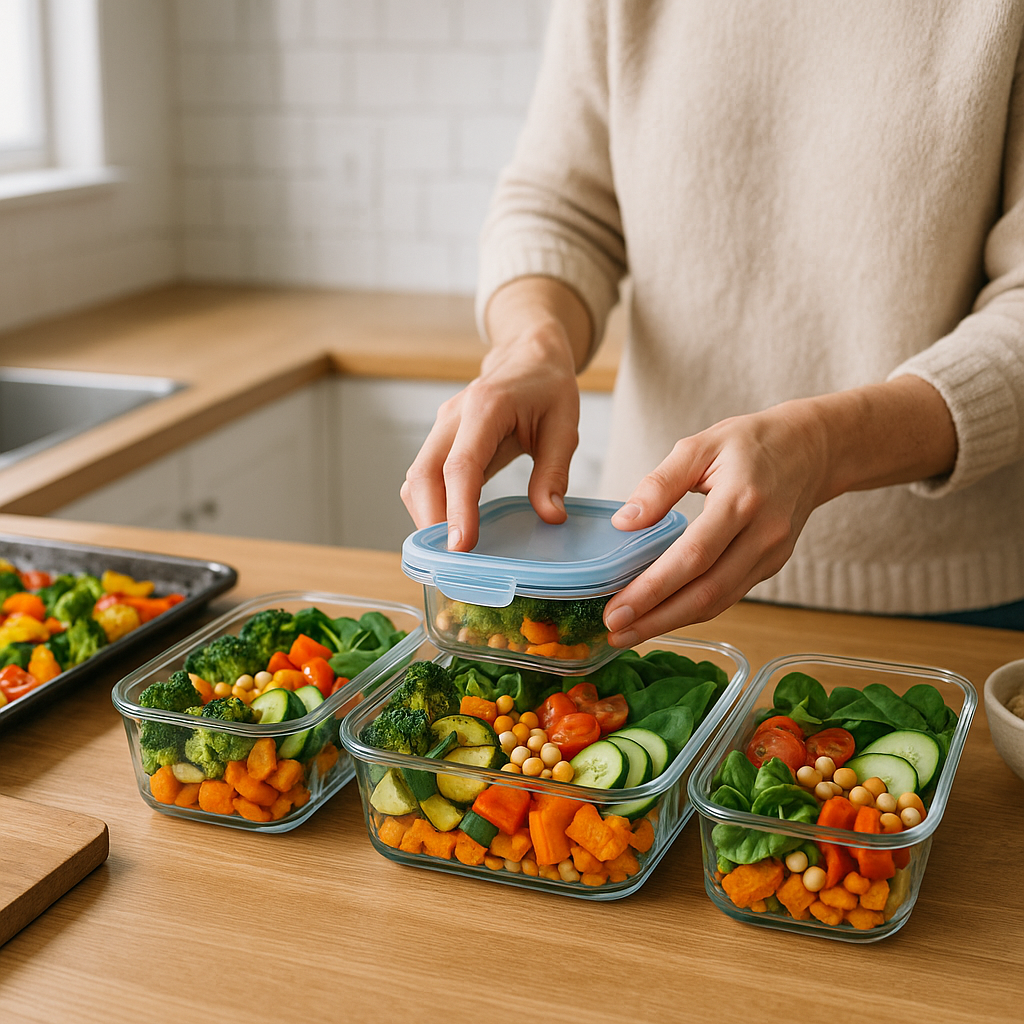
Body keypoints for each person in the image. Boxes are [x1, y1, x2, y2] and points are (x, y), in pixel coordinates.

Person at [401, 1, 1024, 644]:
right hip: (640, 576)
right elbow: (560, 206)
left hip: (949, 602)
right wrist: (532, 344)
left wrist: (825, 445)